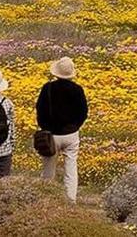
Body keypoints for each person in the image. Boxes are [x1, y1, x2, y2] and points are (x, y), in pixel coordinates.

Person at [36, 56, 88, 203]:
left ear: (56, 73)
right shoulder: (77, 90)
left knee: (48, 169)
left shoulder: (48, 88)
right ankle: (71, 200)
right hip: (71, 134)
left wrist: (44, 127)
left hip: (51, 134)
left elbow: (40, 110)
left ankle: (46, 199)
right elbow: (83, 112)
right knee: (71, 167)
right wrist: (75, 126)